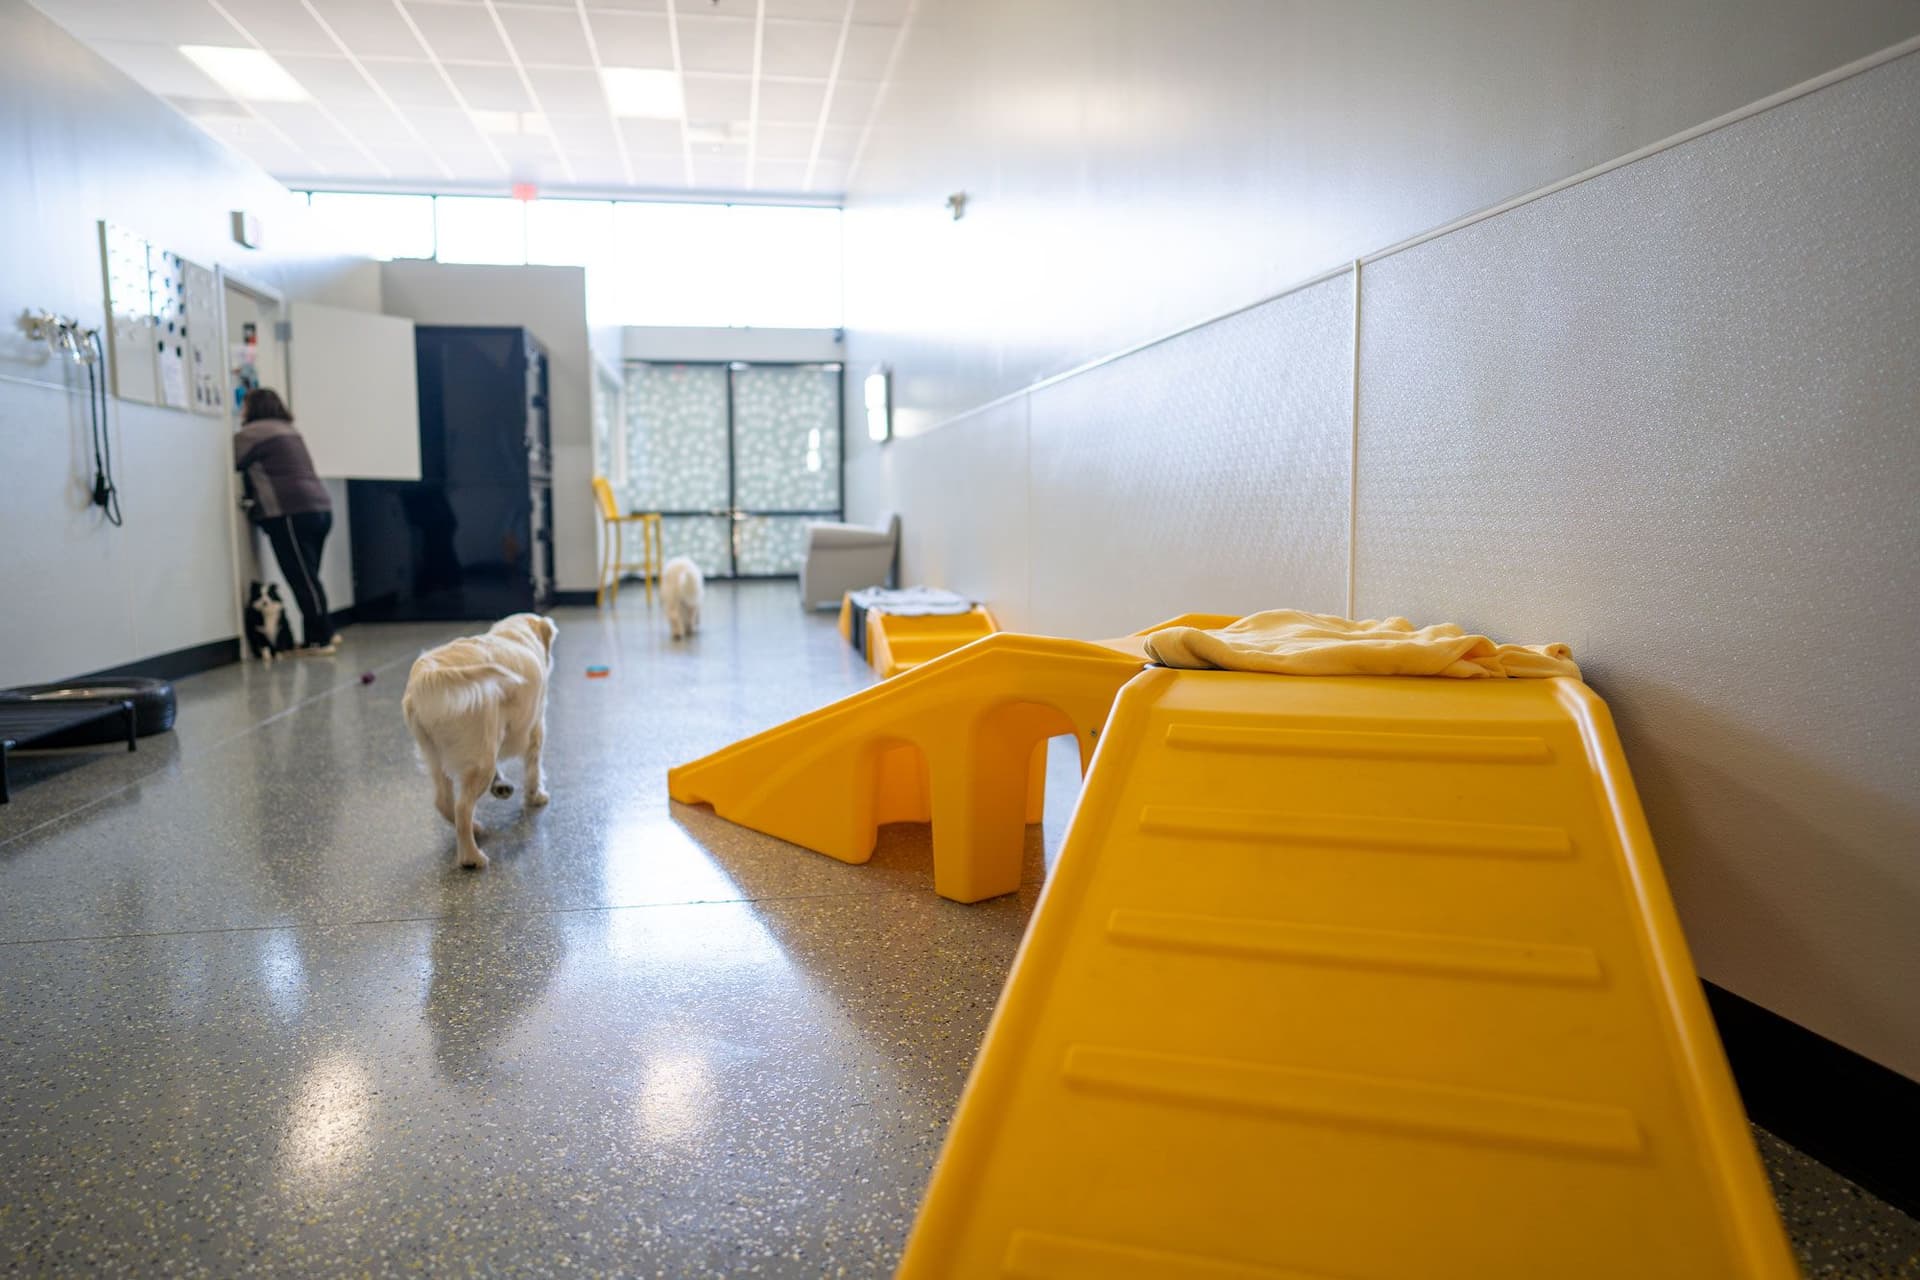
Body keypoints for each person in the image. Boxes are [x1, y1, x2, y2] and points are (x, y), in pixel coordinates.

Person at [234, 388, 338, 655]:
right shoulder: (290, 430)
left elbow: (232, 461)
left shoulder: (251, 434)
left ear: (253, 408)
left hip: (291, 511)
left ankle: (320, 640)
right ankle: (324, 632)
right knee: (310, 576)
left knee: (302, 578)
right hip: (321, 507)